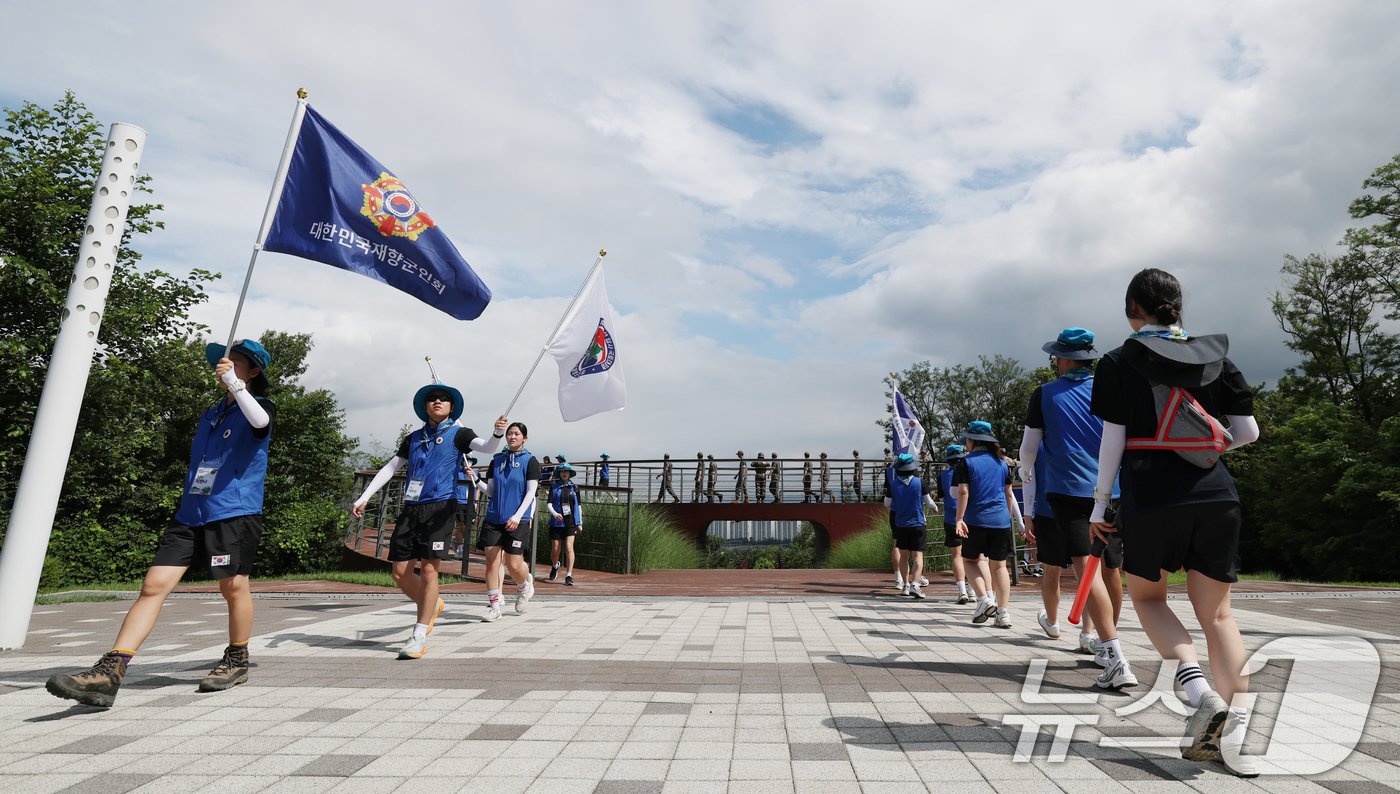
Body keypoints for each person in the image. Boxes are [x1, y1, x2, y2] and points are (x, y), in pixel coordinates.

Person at [1089, 268, 1261, 776]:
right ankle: (1239, 744)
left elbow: (1112, 441)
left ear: (1132, 310)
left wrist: (1100, 506)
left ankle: (1196, 689)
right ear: (1177, 308)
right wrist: (1200, 451)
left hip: (1151, 493)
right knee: (1220, 617)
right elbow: (1247, 431)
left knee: (1148, 597)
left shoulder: (1120, 361)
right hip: (1216, 493)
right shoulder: (1216, 357)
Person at [47, 341, 277, 707]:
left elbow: (261, 423)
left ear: (252, 372)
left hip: (233, 512)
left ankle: (237, 658)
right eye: (224, 361)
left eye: (236, 362)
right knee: (153, 585)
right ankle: (111, 670)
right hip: (190, 513)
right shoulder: (211, 413)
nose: (225, 365)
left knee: (233, 587)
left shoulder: (258, 407)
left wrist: (236, 385)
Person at [351, 382, 506, 658]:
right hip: (412, 508)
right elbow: (391, 467)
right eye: (432, 398)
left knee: (429, 571)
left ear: (451, 407)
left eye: (443, 399)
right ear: (424, 407)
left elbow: (487, 447)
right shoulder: (414, 438)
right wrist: (365, 496)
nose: (437, 401)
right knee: (399, 573)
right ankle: (432, 604)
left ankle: (418, 635)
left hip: (440, 508)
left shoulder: (459, 434)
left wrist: (497, 432)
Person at [1019, 327, 1133, 688]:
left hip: (1068, 490)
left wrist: (1026, 475)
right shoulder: (1112, 389)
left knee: (1086, 570)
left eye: (1056, 356)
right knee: (1111, 568)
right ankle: (1104, 642)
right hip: (1112, 488)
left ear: (1065, 358)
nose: (1054, 361)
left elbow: (1028, 450)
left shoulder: (1046, 394)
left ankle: (1114, 656)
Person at [953, 421, 1024, 629]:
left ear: (973, 440)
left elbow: (963, 492)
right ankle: (1003, 613)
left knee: (970, 561)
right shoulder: (1003, 463)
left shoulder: (965, 462)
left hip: (976, 520)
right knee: (1000, 566)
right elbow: (1009, 494)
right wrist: (1008, 519)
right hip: (1001, 521)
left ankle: (984, 599)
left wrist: (959, 518)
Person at [475, 421, 542, 621]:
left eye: (517, 434)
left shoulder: (530, 461)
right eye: (510, 434)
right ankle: (495, 608)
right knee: (491, 564)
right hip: (494, 517)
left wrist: (518, 516)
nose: (512, 437)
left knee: (514, 565)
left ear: (524, 438)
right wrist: (476, 480)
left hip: (517, 519)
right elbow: (491, 491)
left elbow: (531, 493)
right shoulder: (496, 461)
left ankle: (524, 585)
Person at [885, 453, 938, 599]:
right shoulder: (919, 482)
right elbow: (929, 502)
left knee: (904, 556)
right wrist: (935, 508)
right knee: (917, 555)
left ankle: (906, 585)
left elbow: (887, 503)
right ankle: (915, 584)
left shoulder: (893, 484)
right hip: (917, 523)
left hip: (901, 523)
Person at [937, 444, 973, 604]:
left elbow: (941, 497)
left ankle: (962, 591)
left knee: (956, 556)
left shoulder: (943, 476)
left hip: (951, 519)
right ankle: (973, 591)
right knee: (973, 556)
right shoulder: (970, 471)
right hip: (971, 518)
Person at [547, 463, 582, 586]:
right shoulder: (554, 487)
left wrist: (580, 523)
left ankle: (569, 575)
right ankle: (555, 565)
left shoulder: (575, 488)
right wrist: (555, 514)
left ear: (570, 473)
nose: (564, 473)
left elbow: (578, 506)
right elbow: (549, 504)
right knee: (555, 550)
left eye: (567, 471)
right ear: (559, 473)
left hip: (571, 522)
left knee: (568, 548)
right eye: (562, 471)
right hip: (556, 522)